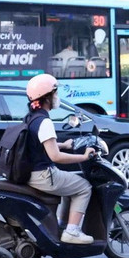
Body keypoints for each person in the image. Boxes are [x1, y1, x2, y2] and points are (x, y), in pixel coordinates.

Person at [24, 73, 96, 244]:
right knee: (84, 187)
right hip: (43, 175)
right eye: (55, 93)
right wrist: (84, 156)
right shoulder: (45, 122)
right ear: (47, 97)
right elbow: (55, 156)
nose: (57, 97)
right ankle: (72, 231)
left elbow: (39, 145)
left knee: (70, 183)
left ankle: (63, 224)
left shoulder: (31, 117)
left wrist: (63, 145)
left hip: (32, 173)